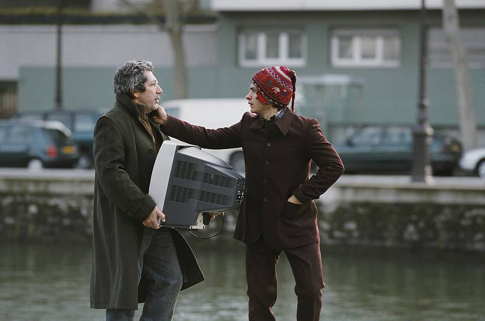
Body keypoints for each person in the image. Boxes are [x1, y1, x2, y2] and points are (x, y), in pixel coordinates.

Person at [153, 66, 344, 321]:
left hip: (296, 222)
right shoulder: (248, 125)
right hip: (257, 224)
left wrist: (300, 196)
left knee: (311, 289)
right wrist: (166, 121)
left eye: (253, 90)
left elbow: (334, 166)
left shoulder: (305, 129)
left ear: (271, 96)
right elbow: (208, 137)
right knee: (259, 297)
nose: (248, 96)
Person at [90, 60, 204, 321]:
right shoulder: (110, 122)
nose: (160, 90)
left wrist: (196, 204)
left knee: (170, 279)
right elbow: (111, 174)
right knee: (122, 298)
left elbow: (170, 166)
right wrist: (143, 208)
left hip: (157, 223)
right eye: (153, 85)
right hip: (127, 222)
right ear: (135, 92)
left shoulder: (152, 121)